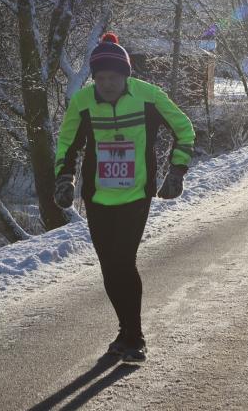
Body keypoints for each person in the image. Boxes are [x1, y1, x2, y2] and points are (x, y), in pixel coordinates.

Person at [53, 32, 195, 363]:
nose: (107, 84)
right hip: (98, 197)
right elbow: (67, 144)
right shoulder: (83, 102)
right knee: (108, 266)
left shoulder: (148, 97)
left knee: (123, 261)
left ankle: (135, 337)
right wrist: (63, 178)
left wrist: (176, 172)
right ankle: (125, 330)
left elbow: (184, 129)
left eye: (113, 77)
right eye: (100, 78)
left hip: (135, 194)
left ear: (125, 75)